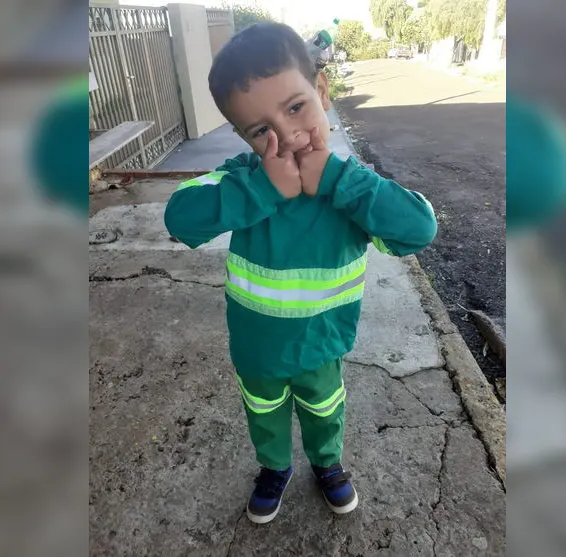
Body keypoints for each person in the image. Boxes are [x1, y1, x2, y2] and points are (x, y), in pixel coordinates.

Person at [164, 22, 438, 524]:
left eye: (295, 108)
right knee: (263, 415)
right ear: (242, 137)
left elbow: (418, 229)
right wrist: (260, 190)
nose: (285, 135)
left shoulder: (352, 192)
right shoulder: (242, 180)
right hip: (257, 349)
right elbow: (180, 218)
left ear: (323, 91)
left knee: (324, 409)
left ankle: (327, 464)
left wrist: (340, 181)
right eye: (259, 130)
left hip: (321, 346)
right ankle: (273, 469)